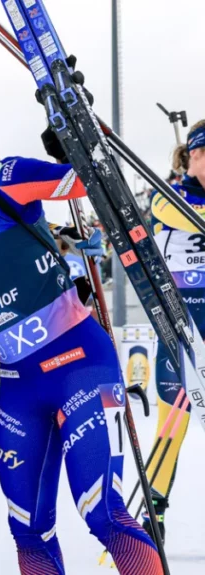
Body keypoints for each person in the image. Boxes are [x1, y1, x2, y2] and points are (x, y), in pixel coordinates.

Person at [0, 83, 163, 574]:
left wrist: (74, 138)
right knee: (28, 530)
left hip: (77, 361)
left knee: (103, 513)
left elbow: (89, 182)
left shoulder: (0, 177)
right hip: (18, 381)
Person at [143, 119, 205, 540]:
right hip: (181, 327)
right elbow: (181, 216)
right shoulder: (169, 195)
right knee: (173, 422)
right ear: (192, 156)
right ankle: (154, 512)